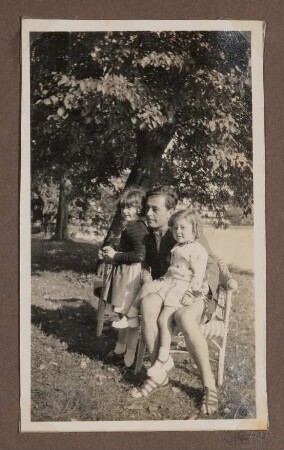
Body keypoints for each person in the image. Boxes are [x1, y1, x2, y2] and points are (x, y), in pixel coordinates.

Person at [129, 186, 220, 415]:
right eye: (146, 208)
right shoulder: (150, 237)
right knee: (148, 303)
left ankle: (209, 384)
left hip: (198, 290)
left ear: (170, 211)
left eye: (154, 209)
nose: (148, 213)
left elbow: (212, 264)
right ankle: (158, 372)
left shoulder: (183, 231)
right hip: (171, 290)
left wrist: (203, 291)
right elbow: (157, 269)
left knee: (185, 316)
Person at [100, 187, 149, 368]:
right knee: (122, 315)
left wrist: (116, 256)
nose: (125, 211)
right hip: (126, 273)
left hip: (132, 277)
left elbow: (139, 256)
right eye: (123, 207)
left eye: (130, 207)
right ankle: (120, 349)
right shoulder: (131, 226)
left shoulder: (137, 228)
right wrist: (111, 253)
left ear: (140, 208)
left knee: (130, 319)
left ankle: (129, 356)